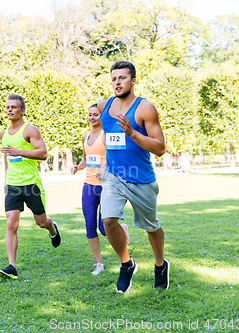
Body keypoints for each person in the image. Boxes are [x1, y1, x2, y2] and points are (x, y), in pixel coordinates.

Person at [97, 61, 169, 293]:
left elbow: (160, 148)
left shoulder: (145, 109)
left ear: (133, 81)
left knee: (151, 227)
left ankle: (160, 265)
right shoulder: (104, 107)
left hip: (141, 178)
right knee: (108, 220)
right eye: (114, 79)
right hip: (113, 177)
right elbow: (102, 134)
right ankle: (126, 264)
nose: (117, 82)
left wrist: (132, 133)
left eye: (123, 78)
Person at [0, 94, 61, 280]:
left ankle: (52, 228)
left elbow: (43, 154)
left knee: (40, 222)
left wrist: (20, 151)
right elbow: (7, 158)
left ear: (22, 111)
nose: (10, 110)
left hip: (31, 184)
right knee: (11, 223)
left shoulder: (30, 130)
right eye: (8, 107)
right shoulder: (3, 134)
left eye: (14, 107)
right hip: (13, 185)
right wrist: (5, 182)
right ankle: (12, 266)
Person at [72, 104, 130, 276]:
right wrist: (78, 167)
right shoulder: (85, 137)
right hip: (88, 187)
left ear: (101, 116)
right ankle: (99, 264)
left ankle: (122, 229)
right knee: (90, 226)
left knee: (104, 228)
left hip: (106, 185)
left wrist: (106, 172)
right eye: (89, 115)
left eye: (95, 115)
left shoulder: (108, 135)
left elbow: (119, 158)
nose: (92, 118)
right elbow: (86, 160)